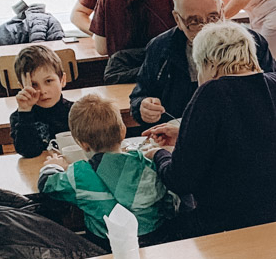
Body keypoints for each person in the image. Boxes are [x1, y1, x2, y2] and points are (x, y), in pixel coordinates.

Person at [144, 22, 276, 235]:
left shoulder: (212, 92)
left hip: (244, 225)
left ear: (209, 64)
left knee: (160, 227)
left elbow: (181, 180)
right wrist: (185, 135)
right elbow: (256, 140)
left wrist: (159, 155)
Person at [128, 0, 276, 130]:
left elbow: (273, 92)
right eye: (194, 22)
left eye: (213, 17)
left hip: (239, 130)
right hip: (178, 131)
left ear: (222, 11)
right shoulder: (161, 48)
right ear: (178, 19)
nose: (206, 28)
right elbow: (140, 95)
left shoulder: (250, 43)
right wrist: (143, 107)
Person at [37, 95, 177, 245]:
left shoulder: (79, 174)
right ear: (123, 131)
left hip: (106, 246)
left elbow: (46, 184)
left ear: (82, 144)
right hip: (157, 239)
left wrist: (54, 165)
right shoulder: (149, 164)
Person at [8, 44, 71, 158]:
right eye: (33, 85)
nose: (42, 91)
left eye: (48, 81)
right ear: (22, 87)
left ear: (62, 80)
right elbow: (28, 152)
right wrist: (25, 112)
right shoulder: (19, 118)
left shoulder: (76, 112)